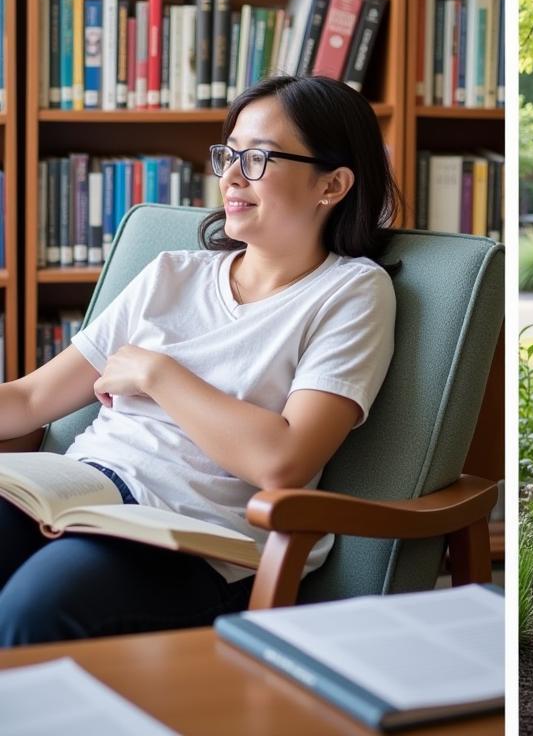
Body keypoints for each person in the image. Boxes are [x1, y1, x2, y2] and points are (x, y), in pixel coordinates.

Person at [0, 74, 399, 646]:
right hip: (76, 491)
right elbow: (32, 398)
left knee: (35, 609)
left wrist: (156, 373)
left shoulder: (352, 292)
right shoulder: (172, 272)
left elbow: (283, 461)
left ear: (332, 184)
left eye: (258, 158)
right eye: (229, 154)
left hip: (194, 539)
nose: (232, 177)